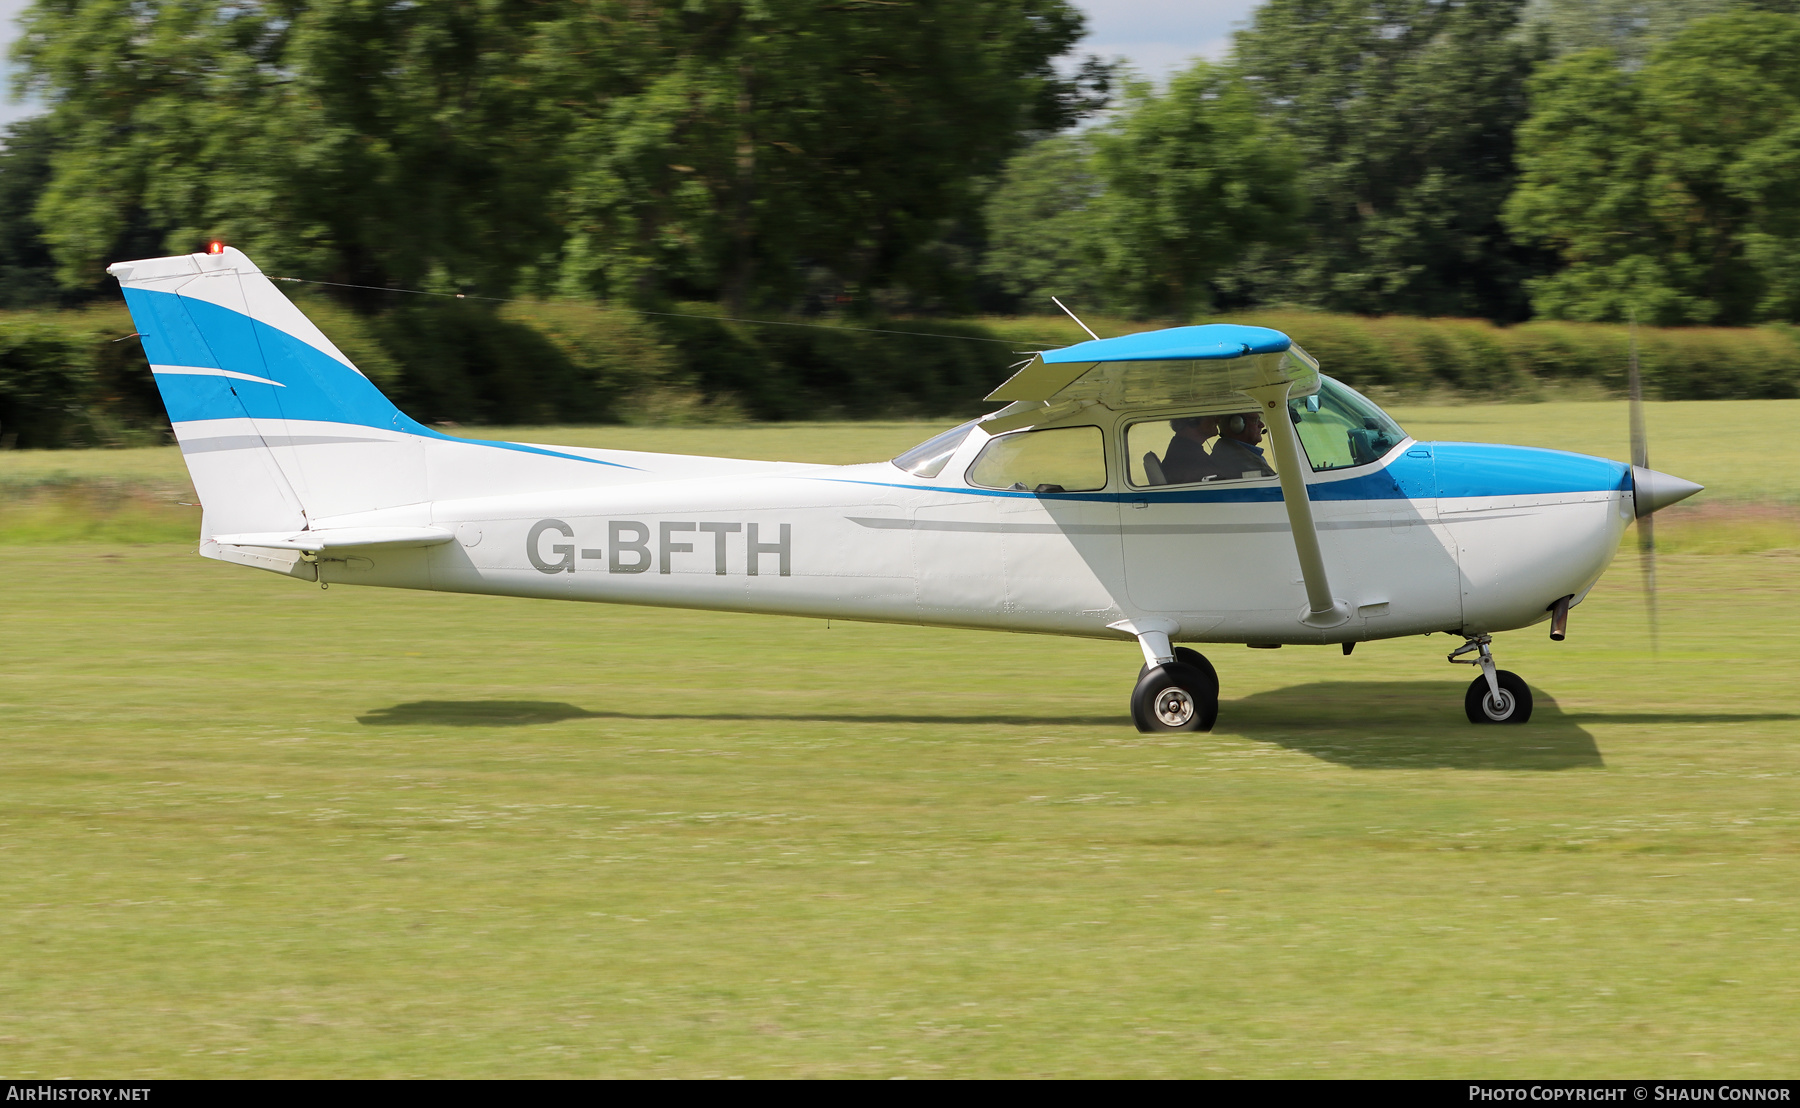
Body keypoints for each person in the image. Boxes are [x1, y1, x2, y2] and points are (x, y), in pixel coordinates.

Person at [1207, 410, 1276, 478]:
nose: (1262, 425)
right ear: (1237, 424)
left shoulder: (1225, 450)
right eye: (1255, 420)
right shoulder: (1242, 460)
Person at [1160, 416, 1218, 484]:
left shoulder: (1180, 448)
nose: (1217, 421)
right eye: (1210, 416)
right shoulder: (1191, 458)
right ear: (1193, 422)